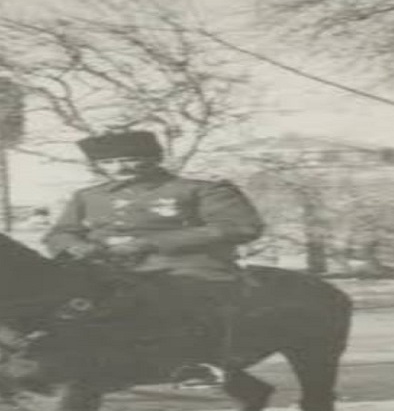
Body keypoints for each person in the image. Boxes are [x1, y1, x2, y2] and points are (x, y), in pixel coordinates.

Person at [42, 130, 266, 387]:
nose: (119, 167)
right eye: (108, 163)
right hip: (103, 264)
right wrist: (77, 247)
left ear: (153, 158)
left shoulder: (200, 189)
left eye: (130, 159)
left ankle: (197, 363)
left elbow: (240, 226)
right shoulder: (88, 196)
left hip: (181, 264)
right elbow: (60, 233)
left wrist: (149, 244)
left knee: (186, 294)